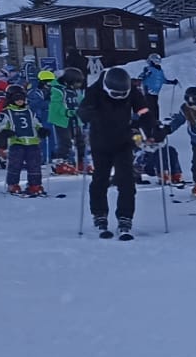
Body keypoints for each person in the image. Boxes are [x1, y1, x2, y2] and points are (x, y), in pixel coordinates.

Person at [79, 66, 142, 239]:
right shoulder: (95, 91)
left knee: (126, 179)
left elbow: (143, 109)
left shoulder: (132, 91)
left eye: (123, 94)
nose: (120, 98)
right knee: (101, 177)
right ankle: (99, 214)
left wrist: (152, 127)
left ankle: (125, 216)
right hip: (101, 141)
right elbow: (83, 109)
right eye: (115, 94)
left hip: (123, 141)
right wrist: (86, 113)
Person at [159, 84, 196, 199]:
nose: (193, 107)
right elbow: (178, 120)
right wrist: (168, 129)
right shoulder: (185, 109)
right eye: (190, 104)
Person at [0, 84, 46, 196]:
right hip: (17, 142)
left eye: (21, 99)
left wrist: (41, 130)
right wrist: (5, 131)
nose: (19, 101)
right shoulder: (6, 112)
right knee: (15, 164)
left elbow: (36, 123)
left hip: (32, 142)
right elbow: (1, 124)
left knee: (34, 164)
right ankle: (12, 184)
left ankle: (34, 184)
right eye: (16, 99)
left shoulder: (30, 111)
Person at [49, 66, 83, 173]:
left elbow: (81, 101)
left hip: (75, 118)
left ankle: (81, 162)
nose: (78, 86)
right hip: (61, 119)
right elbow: (55, 105)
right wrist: (66, 112)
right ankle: (61, 163)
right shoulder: (58, 90)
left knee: (81, 140)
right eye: (76, 83)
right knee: (66, 141)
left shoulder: (76, 91)